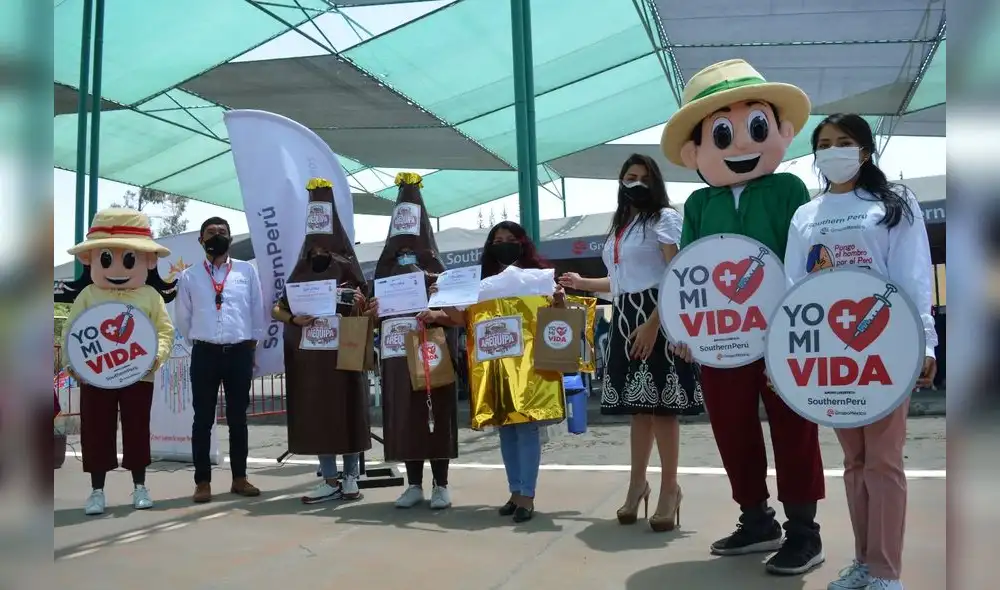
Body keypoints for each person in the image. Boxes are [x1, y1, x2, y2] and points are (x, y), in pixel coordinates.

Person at [662, 59, 826, 575]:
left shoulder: (789, 191)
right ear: (695, 151)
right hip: (721, 339)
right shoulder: (697, 203)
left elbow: (803, 257)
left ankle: (804, 530)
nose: (739, 145)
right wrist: (684, 329)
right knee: (731, 425)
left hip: (783, 333)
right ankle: (755, 518)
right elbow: (689, 270)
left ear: (780, 130)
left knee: (793, 426)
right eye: (722, 133)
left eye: (755, 127)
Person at [784, 114, 937, 590]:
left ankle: (887, 572)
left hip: (886, 346)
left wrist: (926, 340)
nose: (834, 150)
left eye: (844, 142)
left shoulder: (894, 202)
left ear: (865, 150)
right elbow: (794, 288)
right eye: (824, 143)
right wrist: (788, 355)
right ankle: (864, 562)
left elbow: (912, 274)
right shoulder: (806, 215)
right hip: (831, 355)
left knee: (884, 461)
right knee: (853, 463)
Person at [559, 154, 702, 532]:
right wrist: (583, 284)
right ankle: (638, 485)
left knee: (663, 410)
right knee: (639, 409)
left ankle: (670, 489)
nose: (635, 183)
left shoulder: (664, 218)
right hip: (624, 315)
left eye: (643, 177)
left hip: (658, 314)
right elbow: (620, 280)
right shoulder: (622, 225)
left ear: (654, 182)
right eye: (629, 177)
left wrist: (656, 323)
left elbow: (676, 274)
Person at [437, 221, 566, 523]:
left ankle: (527, 497)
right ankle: (515, 491)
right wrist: (443, 296)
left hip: (530, 367)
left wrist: (559, 301)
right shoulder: (481, 281)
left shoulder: (538, 277)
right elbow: (461, 319)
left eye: (510, 239)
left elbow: (557, 318)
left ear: (522, 243)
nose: (504, 244)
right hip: (496, 366)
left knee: (527, 428)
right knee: (506, 429)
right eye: (498, 239)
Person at [60, 208, 175, 515]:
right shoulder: (88, 294)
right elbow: (71, 331)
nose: (118, 268)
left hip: (140, 375)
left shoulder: (150, 295)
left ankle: (140, 486)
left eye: (130, 259)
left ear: (148, 261)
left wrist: (154, 358)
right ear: (91, 259)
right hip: (95, 376)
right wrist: (74, 365)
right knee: (96, 429)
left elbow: (164, 330)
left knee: (138, 428)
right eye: (107, 259)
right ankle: (96, 491)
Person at [271, 178, 373, 504]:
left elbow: (368, 309)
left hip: (345, 357)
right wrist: (292, 319)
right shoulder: (299, 277)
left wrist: (358, 304)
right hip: (313, 365)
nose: (318, 254)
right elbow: (278, 308)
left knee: (349, 413)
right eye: (313, 250)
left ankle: (352, 477)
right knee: (319, 417)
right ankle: (329, 478)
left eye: (324, 250)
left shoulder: (352, 276)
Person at [369, 172, 458, 510]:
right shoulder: (382, 277)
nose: (406, 255)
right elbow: (371, 317)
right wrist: (374, 310)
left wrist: (438, 304)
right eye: (400, 249)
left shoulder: (441, 277)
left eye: (412, 248)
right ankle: (413, 485)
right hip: (395, 355)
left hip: (431, 352)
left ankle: (442, 484)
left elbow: (457, 317)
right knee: (405, 417)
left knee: (435, 416)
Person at [176, 216, 265, 503]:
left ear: (230, 238)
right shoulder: (189, 276)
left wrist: (251, 346)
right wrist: (200, 343)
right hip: (205, 354)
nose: (217, 236)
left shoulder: (246, 272)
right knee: (202, 420)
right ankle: (202, 482)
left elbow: (256, 310)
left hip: (239, 352)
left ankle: (240, 478)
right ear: (201, 240)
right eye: (211, 233)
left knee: (239, 419)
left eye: (223, 232)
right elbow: (183, 318)